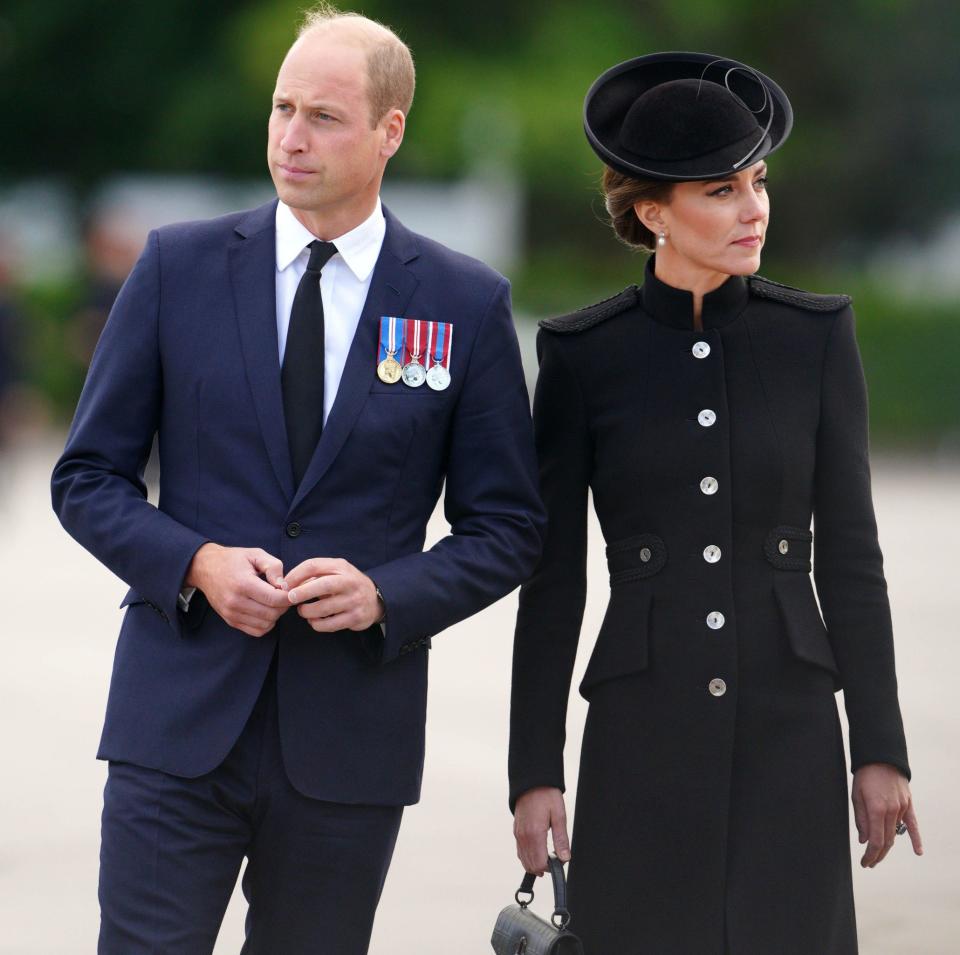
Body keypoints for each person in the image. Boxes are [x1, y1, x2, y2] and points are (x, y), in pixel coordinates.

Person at [51, 6, 544, 954]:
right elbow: (86, 477)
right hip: (176, 721)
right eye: (282, 108)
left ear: (389, 130)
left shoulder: (463, 302)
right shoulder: (177, 268)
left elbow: (509, 526)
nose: (290, 137)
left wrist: (385, 593)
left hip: (350, 739)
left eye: (323, 115)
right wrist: (193, 560)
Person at [508, 52, 922, 954]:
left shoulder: (815, 337)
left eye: (758, 181)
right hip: (639, 734)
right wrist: (533, 769)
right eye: (723, 189)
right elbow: (554, 582)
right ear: (654, 212)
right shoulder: (584, 357)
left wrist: (879, 747)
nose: (755, 208)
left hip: (791, 727)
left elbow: (853, 557)